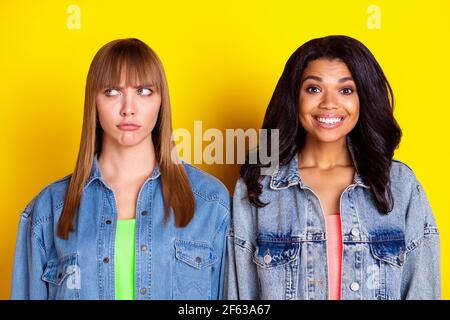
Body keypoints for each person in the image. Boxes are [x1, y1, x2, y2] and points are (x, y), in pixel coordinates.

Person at [11, 38, 230, 300]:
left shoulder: (211, 203)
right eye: (112, 92)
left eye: (144, 91)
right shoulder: (47, 210)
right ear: (94, 101)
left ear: (161, 102)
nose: (128, 109)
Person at [225, 35, 440, 300]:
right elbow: (238, 296)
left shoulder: (399, 185)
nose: (329, 103)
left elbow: (423, 291)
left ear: (364, 98)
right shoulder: (259, 186)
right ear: (294, 97)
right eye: (314, 89)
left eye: (346, 90)